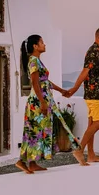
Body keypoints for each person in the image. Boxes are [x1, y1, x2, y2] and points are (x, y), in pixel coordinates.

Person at [16, 34, 88, 174]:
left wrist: (61, 90)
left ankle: (32, 163)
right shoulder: (34, 61)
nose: (44, 44)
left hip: (42, 99)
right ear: (35, 46)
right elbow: (35, 83)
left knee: (38, 130)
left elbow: (45, 82)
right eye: (42, 42)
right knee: (34, 130)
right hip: (37, 102)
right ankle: (22, 161)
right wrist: (42, 102)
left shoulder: (37, 61)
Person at [68, 27, 99, 164]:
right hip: (95, 94)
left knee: (92, 123)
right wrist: (74, 88)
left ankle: (91, 155)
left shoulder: (97, 52)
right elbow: (85, 71)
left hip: (96, 94)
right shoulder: (94, 52)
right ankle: (79, 150)